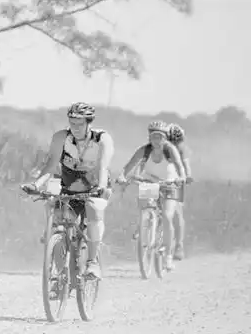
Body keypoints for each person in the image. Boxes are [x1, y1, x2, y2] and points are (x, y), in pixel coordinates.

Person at [23, 102, 114, 280]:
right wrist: (36, 185)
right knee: (58, 222)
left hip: (95, 186)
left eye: (80, 124)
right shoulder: (61, 137)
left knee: (94, 210)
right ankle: (60, 276)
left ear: (89, 123)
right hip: (69, 187)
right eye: (72, 123)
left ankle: (92, 262)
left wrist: (102, 187)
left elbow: (103, 167)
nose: (75, 128)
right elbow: (50, 166)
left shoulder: (102, 139)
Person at [117, 120, 187, 269]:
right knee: (144, 207)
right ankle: (144, 226)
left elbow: (180, 166)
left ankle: (168, 255)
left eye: (160, 137)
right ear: (149, 137)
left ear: (165, 138)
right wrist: (122, 176)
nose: (157, 140)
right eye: (154, 136)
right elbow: (128, 166)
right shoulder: (144, 150)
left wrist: (181, 178)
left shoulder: (170, 149)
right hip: (149, 182)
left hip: (169, 183)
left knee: (168, 216)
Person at [167, 123, 193, 260]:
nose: (173, 144)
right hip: (160, 179)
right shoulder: (159, 147)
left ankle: (179, 245)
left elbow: (186, 164)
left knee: (177, 212)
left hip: (176, 181)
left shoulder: (182, 149)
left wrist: (187, 176)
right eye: (170, 141)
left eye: (176, 142)